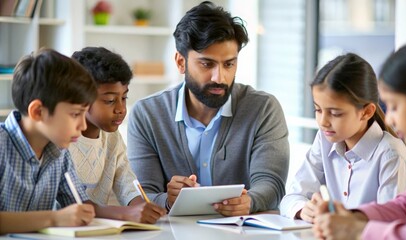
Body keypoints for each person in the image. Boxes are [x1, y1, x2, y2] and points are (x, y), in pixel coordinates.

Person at [127, 1, 289, 216]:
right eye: (207, 64)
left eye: (229, 64)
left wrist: (249, 201)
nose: (219, 77)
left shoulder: (263, 109)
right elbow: (144, 194)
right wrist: (168, 199)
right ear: (180, 63)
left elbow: (271, 184)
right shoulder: (147, 114)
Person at [280, 53, 406, 223]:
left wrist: (347, 224)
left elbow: (390, 224)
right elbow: (291, 197)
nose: (323, 122)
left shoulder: (390, 154)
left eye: (335, 113)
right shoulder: (324, 140)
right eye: (318, 110)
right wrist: (304, 209)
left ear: (366, 112)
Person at [314, 39, 406, 239]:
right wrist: (353, 217)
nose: (389, 118)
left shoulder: (390, 152)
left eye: (394, 106)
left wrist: (358, 230)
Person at [0, 49, 97, 234]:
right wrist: (55, 218)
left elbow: (77, 205)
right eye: (76, 114)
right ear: (37, 111)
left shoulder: (61, 153)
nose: (83, 125)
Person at [69, 47, 166, 222]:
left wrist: (141, 206)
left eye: (124, 98)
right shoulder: (64, 139)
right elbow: (69, 201)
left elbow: (126, 182)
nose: (121, 109)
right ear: (80, 97)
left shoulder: (112, 138)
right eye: (110, 101)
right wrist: (124, 213)